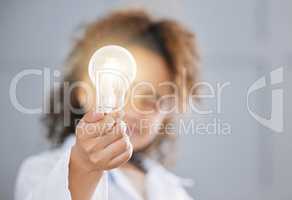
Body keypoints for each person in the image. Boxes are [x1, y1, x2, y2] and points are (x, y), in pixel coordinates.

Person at [15, 9, 200, 200]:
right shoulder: (39, 173)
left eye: (152, 99)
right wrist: (84, 168)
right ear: (81, 90)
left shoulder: (172, 189)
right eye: (120, 89)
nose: (133, 110)